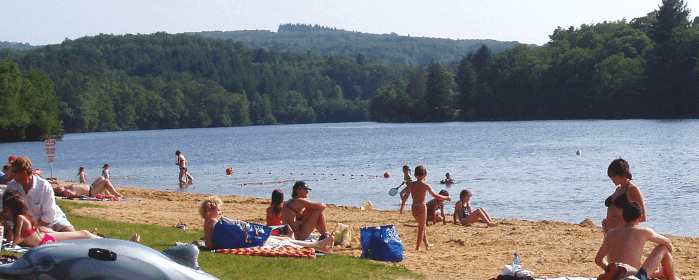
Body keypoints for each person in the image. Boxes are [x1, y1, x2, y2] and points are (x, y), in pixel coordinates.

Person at [2, 189, 139, 248]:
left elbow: (16, 239)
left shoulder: (16, 220)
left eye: (6, 208)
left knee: (84, 235)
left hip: (44, 238)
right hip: (43, 240)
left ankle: (121, 243)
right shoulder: (18, 219)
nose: (4, 211)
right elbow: (16, 240)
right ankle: (124, 243)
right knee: (84, 235)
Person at [200, 195, 332, 251]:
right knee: (283, 241)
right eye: (218, 210)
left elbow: (210, 243)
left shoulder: (208, 223)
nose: (220, 212)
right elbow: (212, 244)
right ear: (211, 210)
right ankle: (317, 245)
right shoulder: (212, 221)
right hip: (248, 241)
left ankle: (317, 244)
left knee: (283, 239)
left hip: (243, 240)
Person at [594, 201, 680, 280]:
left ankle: (617, 272)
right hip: (634, 276)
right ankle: (673, 278)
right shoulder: (643, 231)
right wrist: (669, 256)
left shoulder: (611, 233)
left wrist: (610, 270)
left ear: (623, 217)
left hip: (615, 276)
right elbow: (667, 242)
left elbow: (598, 260)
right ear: (639, 218)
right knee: (663, 248)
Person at [1, 156, 76, 235]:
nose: (12, 175)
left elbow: (49, 214)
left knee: (71, 232)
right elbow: (2, 207)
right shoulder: (12, 187)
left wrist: (35, 229)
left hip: (52, 221)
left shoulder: (44, 186)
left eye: (14, 172)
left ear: (24, 173)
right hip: (27, 224)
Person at [399, 165, 451, 251]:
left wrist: (402, 208)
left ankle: (426, 244)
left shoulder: (411, 185)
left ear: (415, 175)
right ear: (425, 175)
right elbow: (436, 195)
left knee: (422, 226)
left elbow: (405, 197)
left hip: (414, 207)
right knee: (421, 228)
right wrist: (446, 198)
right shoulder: (426, 185)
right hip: (422, 207)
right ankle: (418, 247)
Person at [602, 158, 646, 235]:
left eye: (613, 175)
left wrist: (620, 223)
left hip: (624, 233)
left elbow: (642, 217)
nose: (611, 179)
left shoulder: (633, 189)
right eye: (610, 176)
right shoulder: (618, 189)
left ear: (621, 173)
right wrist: (605, 222)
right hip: (610, 233)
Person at [54, 177, 123, 198]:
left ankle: (108, 193)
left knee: (101, 178)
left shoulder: (66, 188)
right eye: (57, 189)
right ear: (59, 192)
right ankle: (116, 194)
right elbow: (76, 196)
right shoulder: (66, 192)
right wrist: (88, 197)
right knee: (106, 181)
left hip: (91, 187)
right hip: (91, 191)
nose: (58, 187)